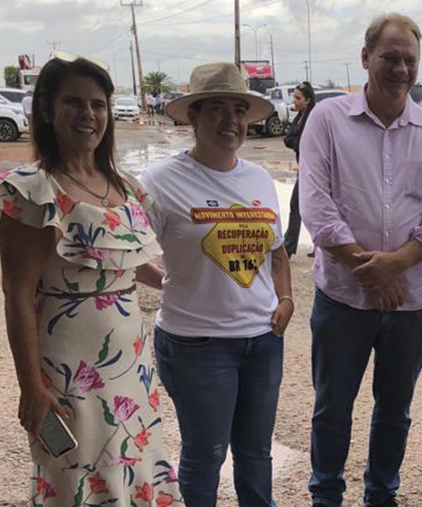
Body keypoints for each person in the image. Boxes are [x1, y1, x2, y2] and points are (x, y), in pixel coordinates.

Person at [299, 13, 422, 507]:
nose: (400, 68)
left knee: (395, 410)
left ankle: (381, 494)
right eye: (390, 57)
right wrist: (367, 271)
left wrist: (398, 264)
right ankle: (326, 495)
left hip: (408, 303)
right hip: (342, 299)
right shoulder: (327, 120)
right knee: (332, 408)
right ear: (366, 57)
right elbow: (316, 203)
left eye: (409, 60)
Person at [0, 57, 180, 505]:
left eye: (98, 104)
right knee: (76, 477)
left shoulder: (125, 186)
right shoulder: (33, 189)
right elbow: (17, 293)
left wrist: (176, 281)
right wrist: (31, 388)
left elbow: (116, 261)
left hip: (131, 364)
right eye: (73, 103)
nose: (89, 114)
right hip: (67, 371)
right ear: (46, 110)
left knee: (134, 465)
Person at [141, 62, 293, 506]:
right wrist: (166, 283)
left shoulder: (259, 178)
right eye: (218, 109)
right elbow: (124, 254)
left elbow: (277, 252)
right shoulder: (161, 181)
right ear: (193, 116)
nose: (232, 120)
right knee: (206, 455)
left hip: (263, 342)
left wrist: (285, 297)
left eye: (240, 109)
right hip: (197, 346)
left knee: (255, 454)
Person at [283, 81, 316, 258]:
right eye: (293, 97)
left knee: (299, 205)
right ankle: (291, 246)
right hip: (304, 168)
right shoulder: (300, 117)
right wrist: (296, 143)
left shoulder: (312, 118)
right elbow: (288, 139)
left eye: (298, 98)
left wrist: (297, 143)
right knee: (299, 206)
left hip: (313, 170)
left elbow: (305, 143)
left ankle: (288, 247)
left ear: (308, 100)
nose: (294, 101)